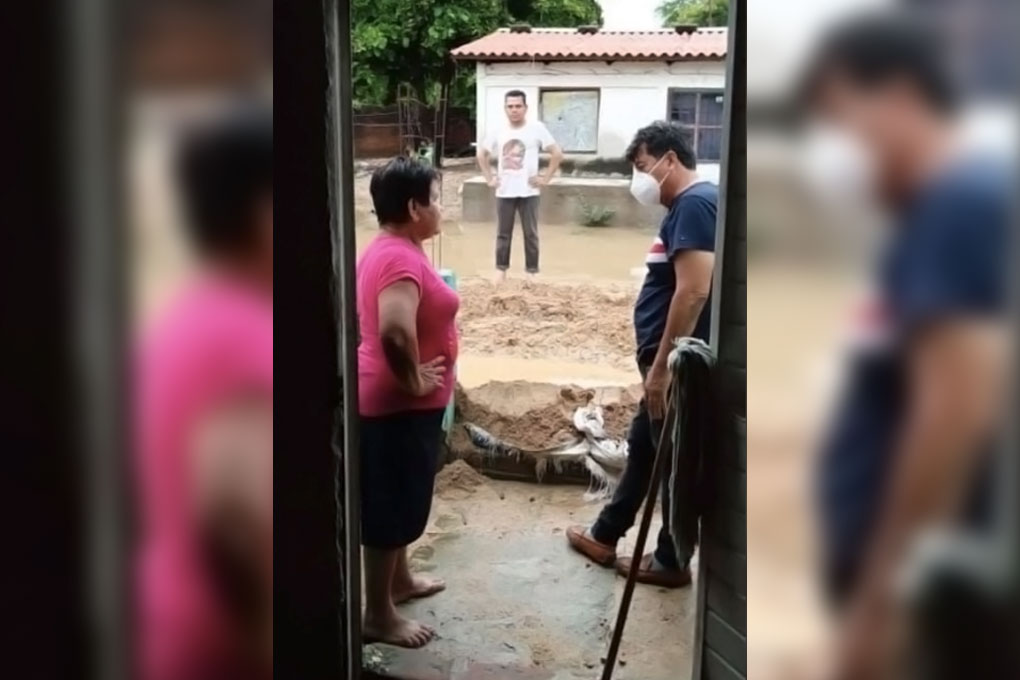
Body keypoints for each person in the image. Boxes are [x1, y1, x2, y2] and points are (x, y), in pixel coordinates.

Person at [799, 13, 1010, 679]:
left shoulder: (960, 205)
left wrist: (881, 602)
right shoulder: (937, 211)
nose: (833, 149)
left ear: (898, 97)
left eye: (838, 119)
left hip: (939, 592)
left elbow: (955, 409)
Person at [135, 105, 273, 680]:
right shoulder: (249, 340)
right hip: (223, 649)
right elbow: (249, 529)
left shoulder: (175, 321)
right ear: (263, 213)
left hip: (162, 621)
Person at [566, 122, 717, 588]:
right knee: (646, 444)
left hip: (672, 365)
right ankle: (605, 534)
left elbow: (694, 291)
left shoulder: (695, 204)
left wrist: (662, 370)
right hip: (664, 362)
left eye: (642, 165)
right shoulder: (688, 206)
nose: (640, 178)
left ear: (669, 159)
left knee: (671, 460)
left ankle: (671, 559)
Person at [357, 156, 459, 648]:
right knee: (389, 508)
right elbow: (395, 332)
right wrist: (415, 382)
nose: (441, 209)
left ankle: (399, 582)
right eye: (435, 199)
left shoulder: (396, 249)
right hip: (397, 404)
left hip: (400, 405)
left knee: (398, 498)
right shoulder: (398, 259)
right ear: (415, 207)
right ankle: (377, 614)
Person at [477, 90, 564, 281]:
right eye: (510, 106)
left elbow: (557, 153)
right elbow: (481, 154)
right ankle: (501, 270)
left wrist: (545, 179)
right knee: (503, 233)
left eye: (518, 106)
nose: (514, 110)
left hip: (529, 190)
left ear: (525, 108)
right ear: (505, 108)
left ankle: (531, 271)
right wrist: (490, 178)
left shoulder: (536, 128)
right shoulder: (498, 130)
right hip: (504, 190)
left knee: (531, 233)